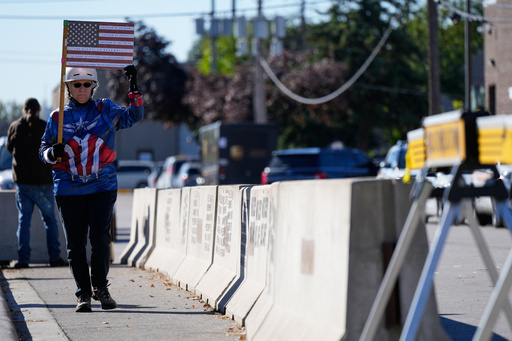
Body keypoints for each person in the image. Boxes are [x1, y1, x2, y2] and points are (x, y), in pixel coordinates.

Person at [39, 65, 143, 312]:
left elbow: (133, 117)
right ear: (68, 88)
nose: (82, 89)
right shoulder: (57, 117)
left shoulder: (105, 109)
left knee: (100, 239)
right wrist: (51, 153)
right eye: (77, 85)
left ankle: (101, 288)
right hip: (68, 188)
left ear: (94, 87)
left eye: (87, 84)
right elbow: (42, 149)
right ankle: (83, 294)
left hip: (102, 185)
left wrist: (134, 88)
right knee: (75, 245)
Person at [6, 98, 67, 269]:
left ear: (24, 110)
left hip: (23, 184)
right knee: (50, 221)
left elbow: (9, 149)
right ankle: (54, 257)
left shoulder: (15, 127)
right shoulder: (45, 126)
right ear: (39, 110)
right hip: (43, 183)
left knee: (24, 221)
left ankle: (23, 259)